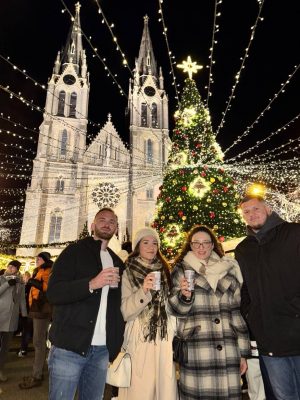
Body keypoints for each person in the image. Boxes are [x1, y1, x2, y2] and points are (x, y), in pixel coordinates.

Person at [47, 207, 125, 400]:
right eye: (102, 219)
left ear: (116, 228)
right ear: (92, 225)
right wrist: (91, 284)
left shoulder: (117, 262)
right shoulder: (73, 251)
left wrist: (114, 344)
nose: (107, 224)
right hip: (69, 346)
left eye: (112, 221)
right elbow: (54, 292)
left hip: (101, 351)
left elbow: (116, 309)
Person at [169, 225, 249, 399]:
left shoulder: (229, 270)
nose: (201, 247)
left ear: (213, 245)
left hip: (228, 348)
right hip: (198, 347)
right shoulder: (181, 270)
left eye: (206, 242)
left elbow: (236, 313)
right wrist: (184, 296)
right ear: (190, 245)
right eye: (196, 243)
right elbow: (175, 310)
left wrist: (243, 353)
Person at [235, 194, 300, 400]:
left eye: (256, 209)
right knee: (284, 396)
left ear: (268, 209)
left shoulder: (294, 233)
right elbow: (243, 289)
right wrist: (251, 314)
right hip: (270, 339)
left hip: (297, 330)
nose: (251, 214)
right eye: (246, 211)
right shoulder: (243, 249)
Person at [118, 228, 178, 400]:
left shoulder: (166, 270)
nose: (151, 247)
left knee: (164, 386)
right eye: (146, 242)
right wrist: (144, 290)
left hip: (164, 335)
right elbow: (125, 311)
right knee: (141, 389)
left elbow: (171, 304)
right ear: (138, 246)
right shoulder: (128, 271)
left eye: (155, 243)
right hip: (140, 335)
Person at [19, 252, 53, 389]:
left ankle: (37, 375)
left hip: (42, 309)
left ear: (44, 260)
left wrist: (31, 280)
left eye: (38, 258)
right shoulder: (40, 270)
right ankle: (38, 372)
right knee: (38, 341)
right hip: (37, 308)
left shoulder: (48, 270)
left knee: (38, 342)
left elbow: (46, 287)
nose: (36, 260)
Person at [0, 260, 27, 382]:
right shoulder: (1, 279)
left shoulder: (20, 282)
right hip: (0, 317)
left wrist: (25, 315)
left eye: (14, 267)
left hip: (12, 319)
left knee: (5, 348)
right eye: (9, 266)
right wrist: (7, 285)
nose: (11, 268)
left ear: (17, 270)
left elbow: (21, 300)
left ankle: (0, 370)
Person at [18, 271, 34, 357]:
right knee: (26, 331)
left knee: (26, 331)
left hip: (26, 312)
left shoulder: (25, 287)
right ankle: (23, 349)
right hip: (28, 311)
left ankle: (23, 349)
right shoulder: (31, 286)